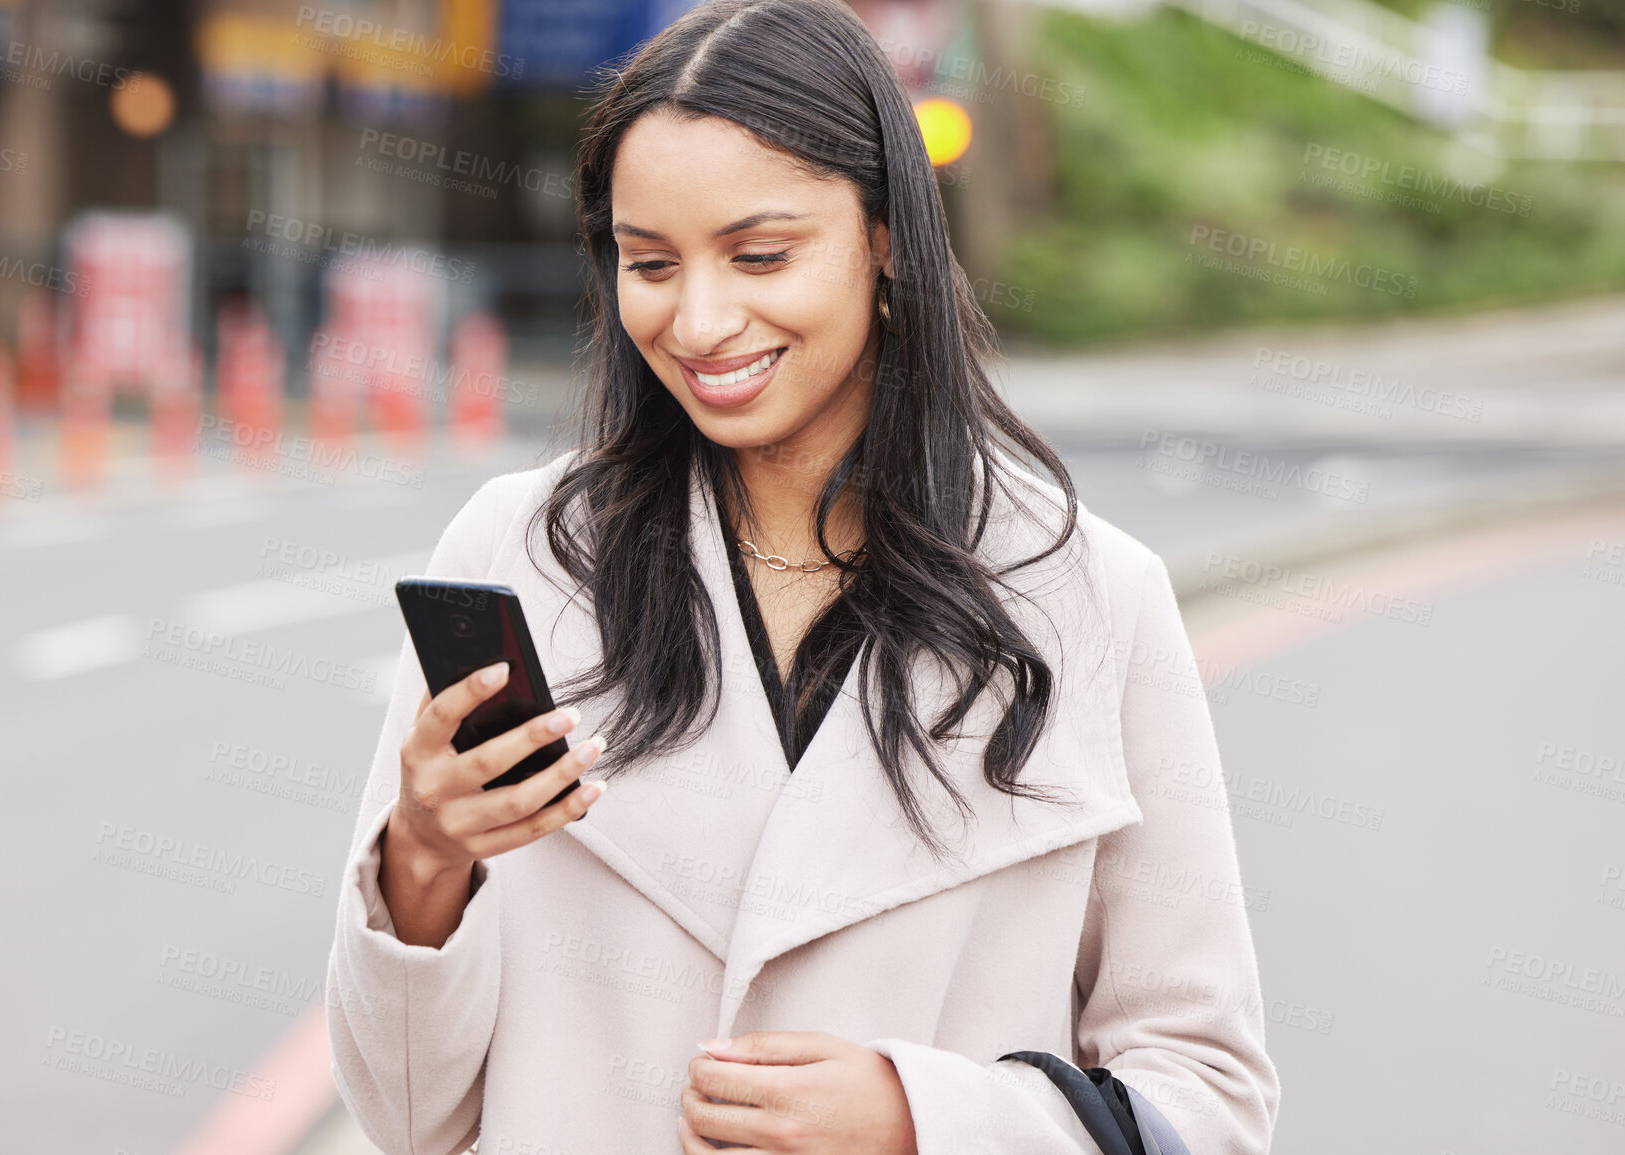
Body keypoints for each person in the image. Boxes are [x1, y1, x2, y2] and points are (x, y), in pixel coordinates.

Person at [325, 1, 1280, 1152]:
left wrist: (922, 1119)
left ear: (884, 237)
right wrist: (424, 858)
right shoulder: (522, 557)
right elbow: (410, 1116)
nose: (702, 321)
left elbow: (1209, 1096)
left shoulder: (1086, 595)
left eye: (762, 255)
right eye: (649, 264)